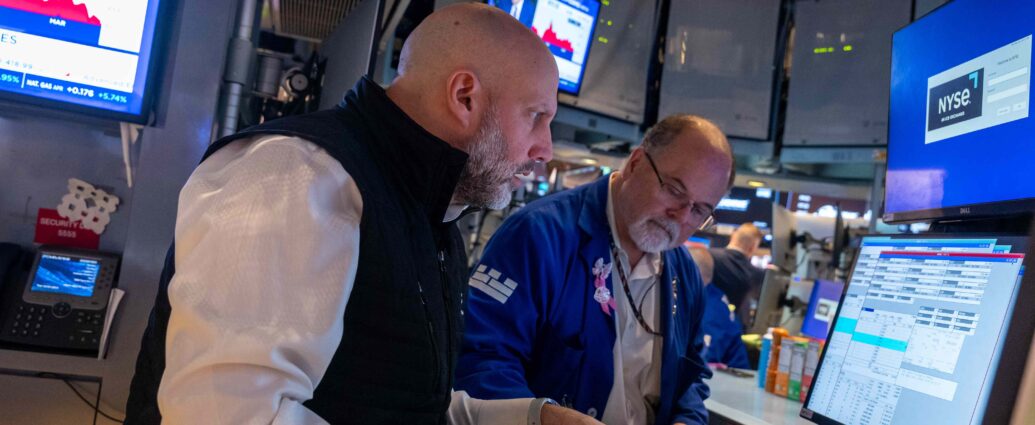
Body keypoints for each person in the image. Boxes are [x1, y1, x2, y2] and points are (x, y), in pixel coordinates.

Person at [125, 4, 559, 424]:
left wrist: (531, 418)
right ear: (464, 96)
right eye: (536, 116)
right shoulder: (296, 175)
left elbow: (407, 406)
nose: (545, 148)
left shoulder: (431, 214)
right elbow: (226, 414)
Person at [455, 115, 736, 425]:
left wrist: (687, 421)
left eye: (699, 210)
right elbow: (481, 361)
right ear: (635, 164)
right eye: (674, 190)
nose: (680, 217)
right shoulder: (538, 235)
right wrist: (544, 417)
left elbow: (690, 379)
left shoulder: (685, 274)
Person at [688, 247, 750, 369]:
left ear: (691, 272)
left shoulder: (710, 313)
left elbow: (702, 363)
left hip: (728, 378)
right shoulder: (713, 296)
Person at [709, 223, 765, 327]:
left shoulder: (708, 256)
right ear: (753, 247)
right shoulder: (756, 274)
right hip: (731, 329)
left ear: (733, 236)